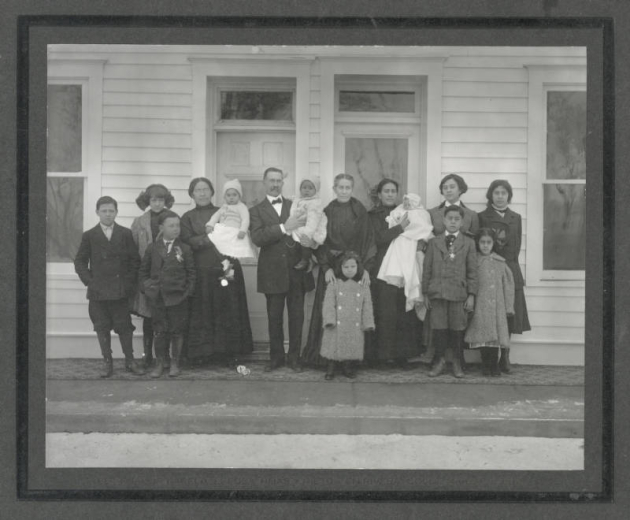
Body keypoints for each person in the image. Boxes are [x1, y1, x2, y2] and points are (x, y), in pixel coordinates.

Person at [301, 173, 375, 367]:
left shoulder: (359, 210)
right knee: (331, 314)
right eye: (340, 187)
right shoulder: (328, 210)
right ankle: (328, 360)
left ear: (352, 189)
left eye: (347, 187)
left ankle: (349, 362)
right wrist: (325, 267)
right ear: (334, 189)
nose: (344, 191)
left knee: (351, 318)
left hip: (354, 269)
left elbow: (368, 240)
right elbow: (321, 240)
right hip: (333, 269)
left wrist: (365, 268)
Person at [180, 178, 253, 366]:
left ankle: (228, 353)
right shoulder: (187, 217)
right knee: (202, 310)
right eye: (198, 190)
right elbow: (188, 240)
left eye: (206, 189)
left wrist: (220, 239)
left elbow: (235, 232)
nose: (202, 193)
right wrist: (211, 238)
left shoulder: (225, 211)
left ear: (212, 193)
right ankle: (202, 353)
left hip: (226, 265)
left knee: (227, 309)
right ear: (192, 194)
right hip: (201, 269)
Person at [249, 167, 314, 372]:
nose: (275, 184)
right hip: (272, 272)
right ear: (264, 182)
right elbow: (258, 238)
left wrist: (308, 248)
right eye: (271, 180)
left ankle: (294, 358)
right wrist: (284, 227)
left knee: (297, 318)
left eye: (278, 180)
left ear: (283, 183)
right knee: (274, 317)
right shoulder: (256, 210)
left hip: (297, 270)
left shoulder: (296, 205)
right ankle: (275, 358)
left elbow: (307, 229)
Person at [74, 196, 144, 378]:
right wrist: (91, 281)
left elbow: (134, 262)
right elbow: (80, 262)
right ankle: (107, 363)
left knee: (125, 327)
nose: (107, 214)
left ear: (116, 212)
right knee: (101, 326)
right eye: (104, 211)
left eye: (111, 211)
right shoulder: (89, 235)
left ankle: (130, 360)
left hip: (120, 292)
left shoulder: (125, 233)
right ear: (97, 212)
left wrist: (127, 284)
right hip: (98, 292)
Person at [366, 179, 423, 367]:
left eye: (393, 191)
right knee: (385, 312)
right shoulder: (373, 216)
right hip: (382, 268)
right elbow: (379, 238)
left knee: (403, 310)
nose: (390, 194)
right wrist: (400, 228)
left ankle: (402, 355)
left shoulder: (405, 211)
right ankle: (382, 355)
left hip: (404, 265)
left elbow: (417, 232)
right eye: (386, 191)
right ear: (379, 194)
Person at [426, 173, 479, 371]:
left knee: (458, 324)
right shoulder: (432, 213)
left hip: (459, 283)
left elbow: (473, 263)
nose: (448, 190)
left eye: (452, 186)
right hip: (438, 283)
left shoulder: (471, 216)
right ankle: (438, 360)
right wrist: (425, 290)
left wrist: (472, 292)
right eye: (445, 187)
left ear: (461, 189)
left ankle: (457, 360)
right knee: (438, 324)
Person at [478, 179, 531, 373]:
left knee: (509, 315)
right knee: (490, 315)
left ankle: (505, 357)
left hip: (510, 269)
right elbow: (481, 245)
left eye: (503, 193)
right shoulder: (482, 217)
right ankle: (489, 358)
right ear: (490, 195)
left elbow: (516, 246)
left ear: (509, 195)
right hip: (490, 269)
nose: (500, 196)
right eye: (496, 193)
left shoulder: (516, 217)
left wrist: (510, 268)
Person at [139, 212, 196, 378]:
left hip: (178, 298)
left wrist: (187, 293)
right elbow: (143, 271)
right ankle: (159, 363)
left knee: (177, 331)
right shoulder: (153, 248)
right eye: (171, 226)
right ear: (161, 228)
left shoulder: (184, 248)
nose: (176, 229)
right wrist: (147, 289)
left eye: (177, 225)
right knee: (159, 331)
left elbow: (191, 273)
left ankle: (174, 363)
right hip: (158, 298)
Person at [130, 183, 175, 369]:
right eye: (153, 200)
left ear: (166, 201)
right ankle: (147, 355)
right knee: (148, 317)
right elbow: (133, 251)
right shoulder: (139, 222)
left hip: (168, 277)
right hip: (147, 277)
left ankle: (165, 357)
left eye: (161, 200)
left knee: (166, 317)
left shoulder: (172, 219)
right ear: (147, 201)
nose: (157, 204)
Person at [464, 228, 515, 377]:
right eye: (482, 242)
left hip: (496, 306)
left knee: (495, 336)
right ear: (477, 243)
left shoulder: (500, 263)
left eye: (488, 242)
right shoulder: (474, 261)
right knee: (483, 336)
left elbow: (508, 286)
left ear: (493, 244)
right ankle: (486, 364)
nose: (485, 246)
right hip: (480, 305)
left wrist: (508, 306)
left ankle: (495, 364)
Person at [321, 252, 375, 380]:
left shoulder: (362, 285)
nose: (350, 270)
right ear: (340, 268)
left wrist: (368, 322)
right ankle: (330, 368)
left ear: (358, 267)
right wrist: (329, 319)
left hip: (354, 322)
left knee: (350, 345)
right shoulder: (334, 284)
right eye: (346, 267)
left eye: (353, 267)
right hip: (336, 323)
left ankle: (347, 367)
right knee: (333, 347)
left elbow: (367, 305)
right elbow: (328, 304)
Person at [377, 193, 434, 315]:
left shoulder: (422, 213)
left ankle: (414, 298)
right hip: (402, 241)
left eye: (410, 203)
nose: (407, 205)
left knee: (415, 270)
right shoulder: (399, 210)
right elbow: (393, 220)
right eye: (405, 203)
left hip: (416, 246)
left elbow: (424, 227)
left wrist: (421, 238)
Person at [205, 179, 257, 259]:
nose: (231, 198)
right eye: (228, 195)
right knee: (217, 242)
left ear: (239, 196)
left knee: (234, 248)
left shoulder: (241, 207)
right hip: (224, 229)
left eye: (234, 195)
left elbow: (245, 219)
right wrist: (210, 224)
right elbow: (216, 216)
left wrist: (243, 230)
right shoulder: (224, 206)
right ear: (224, 197)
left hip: (235, 231)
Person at [289, 177, 328, 271]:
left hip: (313, 228)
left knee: (304, 242)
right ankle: (308, 258)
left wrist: (307, 233)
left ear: (316, 190)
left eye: (310, 188)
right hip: (302, 225)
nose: (306, 190)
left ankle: (306, 259)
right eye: (304, 187)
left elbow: (313, 221)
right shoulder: (300, 200)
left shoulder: (314, 203)